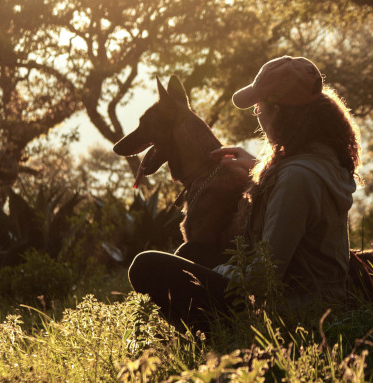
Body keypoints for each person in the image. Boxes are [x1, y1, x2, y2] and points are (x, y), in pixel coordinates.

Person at [127, 56, 360, 330]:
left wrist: (214, 274)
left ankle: (223, 340)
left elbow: (265, 276)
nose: (257, 114)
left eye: (258, 107)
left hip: (299, 312)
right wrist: (258, 167)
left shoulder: (295, 180)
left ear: (279, 111)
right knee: (193, 251)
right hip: (316, 294)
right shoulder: (320, 158)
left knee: (146, 266)